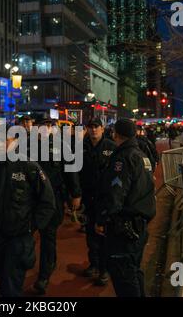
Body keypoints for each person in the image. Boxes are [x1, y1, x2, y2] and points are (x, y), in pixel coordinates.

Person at [0, 126, 56, 297]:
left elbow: (48, 202)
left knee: (11, 281)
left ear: (15, 141)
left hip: (19, 236)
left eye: (3, 139)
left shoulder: (29, 166)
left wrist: (31, 227)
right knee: (1, 274)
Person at [95, 118, 156, 297]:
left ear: (116, 134)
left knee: (125, 277)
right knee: (134, 271)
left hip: (125, 227)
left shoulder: (122, 157)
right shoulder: (141, 155)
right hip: (139, 225)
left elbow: (116, 194)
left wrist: (102, 219)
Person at [32, 117, 82, 295]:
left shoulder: (61, 146)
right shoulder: (25, 146)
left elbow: (70, 170)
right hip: (30, 201)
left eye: (46, 127)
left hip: (53, 199)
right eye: (39, 126)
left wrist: (75, 194)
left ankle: (44, 274)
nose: (43, 130)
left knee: (48, 236)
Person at [79, 118, 117, 286]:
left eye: (96, 127)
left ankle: (104, 268)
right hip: (88, 197)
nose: (93, 130)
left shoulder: (111, 146)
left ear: (102, 129)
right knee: (90, 232)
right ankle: (93, 264)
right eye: (91, 127)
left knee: (104, 234)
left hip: (105, 198)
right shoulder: (81, 146)